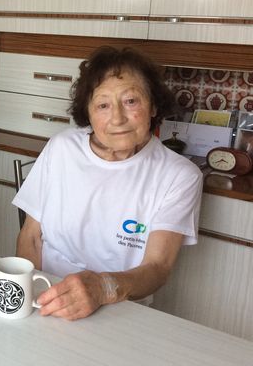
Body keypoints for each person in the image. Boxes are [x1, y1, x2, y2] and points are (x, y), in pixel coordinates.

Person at [13, 46, 203, 320]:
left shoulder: (179, 175)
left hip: (120, 307)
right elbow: (31, 236)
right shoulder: (62, 147)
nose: (117, 118)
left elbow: (158, 267)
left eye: (131, 101)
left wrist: (102, 288)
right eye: (102, 105)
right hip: (47, 297)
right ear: (87, 113)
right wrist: (29, 297)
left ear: (153, 106)